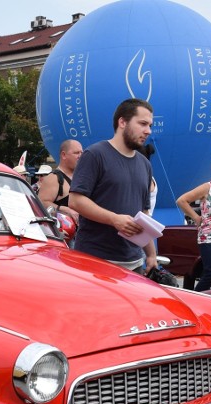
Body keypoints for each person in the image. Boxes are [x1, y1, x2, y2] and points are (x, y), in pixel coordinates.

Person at [68, 98, 157, 273]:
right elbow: (75, 201)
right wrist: (114, 219)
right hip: (95, 261)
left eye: (150, 126)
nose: (148, 131)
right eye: (143, 124)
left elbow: (143, 214)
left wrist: (151, 254)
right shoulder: (95, 154)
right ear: (122, 122)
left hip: (134, 263)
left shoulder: (144, 164)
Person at [176, 157, 211, 290]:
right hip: (208, 236)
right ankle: (193, 299)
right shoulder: (207, 187)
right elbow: (182, 200)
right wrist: (196, 218)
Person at [37, 139, 82, 222]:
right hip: (62, 232)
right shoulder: (54, 178)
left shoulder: (81, 176)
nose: (80, 156)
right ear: (64, 155)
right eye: (76, 153)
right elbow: (40, 203)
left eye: (81, 153)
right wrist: (63, 209)